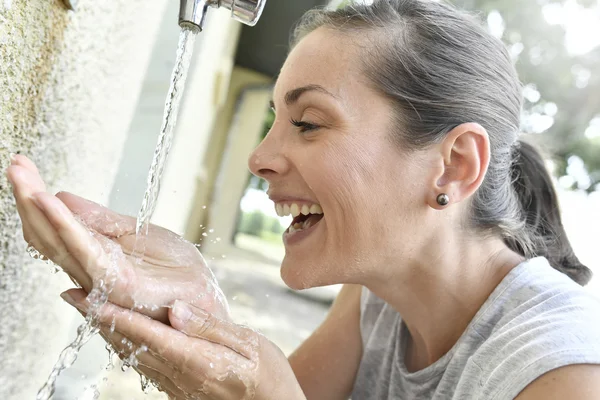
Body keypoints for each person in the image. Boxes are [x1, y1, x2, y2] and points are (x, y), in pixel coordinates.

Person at [6, 0, 600, 398]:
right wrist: (196, 315)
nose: (259, 157)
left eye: (309, 123)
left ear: (455, 163)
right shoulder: (375, 298)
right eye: (272, 120)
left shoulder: (562, 373)